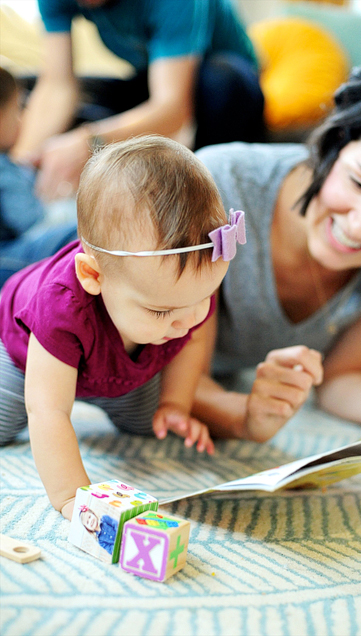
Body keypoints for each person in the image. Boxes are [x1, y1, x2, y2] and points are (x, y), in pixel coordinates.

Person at [189, 59, 361, 440]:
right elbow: (176, 386)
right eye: (359, 183)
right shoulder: (221, 184)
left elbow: (343, 380)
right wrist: (246, 416)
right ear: (336, 143)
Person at [0, 135, 238, 520]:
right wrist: (71, 498)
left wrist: (176, 403)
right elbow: (47, 409)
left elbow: (192, 341)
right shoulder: (59, 306)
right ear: (93, 275)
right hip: (26, 357)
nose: (186, 321)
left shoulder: (185, 298)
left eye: (202, 299)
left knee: (151, 424)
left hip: (122, 368)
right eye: (162, 311)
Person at [11, 0, 264, 202]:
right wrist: (17, 168)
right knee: (26, 86)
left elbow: (173, 108)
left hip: (224, 84)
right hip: (156, 77)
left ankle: (204, 197)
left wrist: (90, 142)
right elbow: (57, 85)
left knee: (222, 81)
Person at [0, 65, 78, 286]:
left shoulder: (9, 165)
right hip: (6, 258)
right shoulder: (3, 169)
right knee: (77, 234)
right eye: (16, 110)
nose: (20, 121)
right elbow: (32, 223)